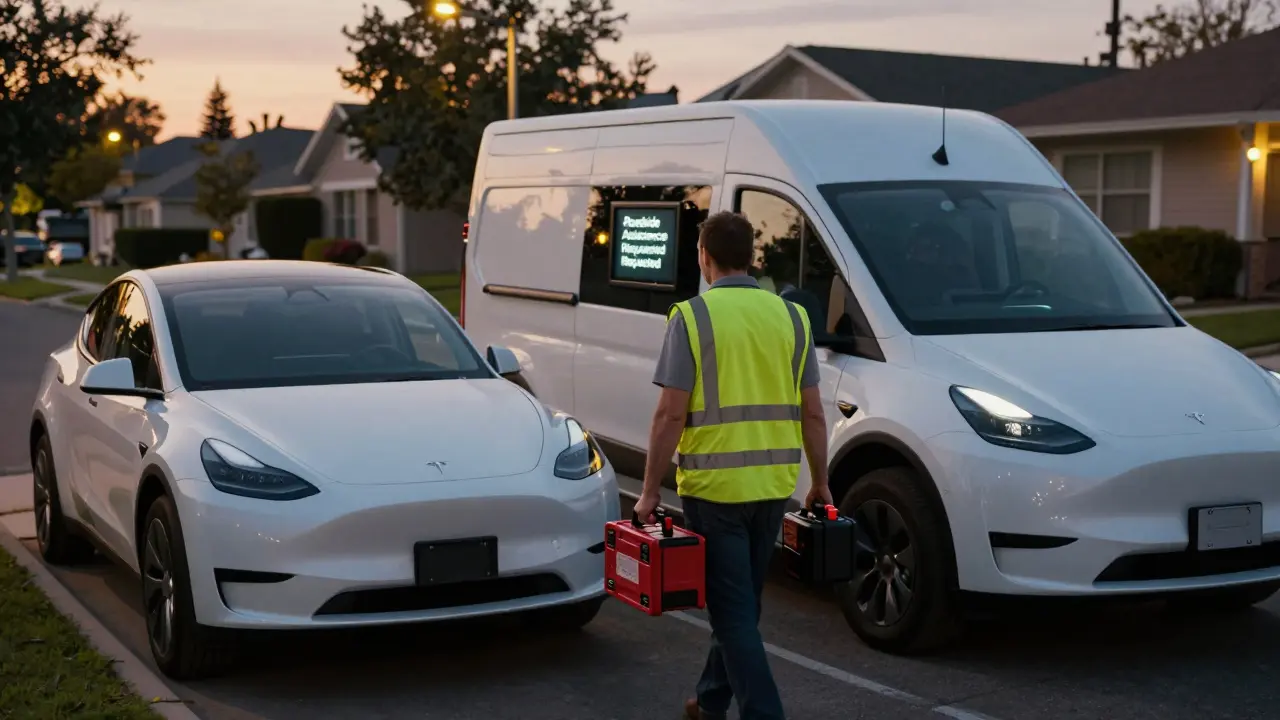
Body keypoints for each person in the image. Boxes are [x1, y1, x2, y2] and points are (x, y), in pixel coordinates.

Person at [633, 211, 832, 720]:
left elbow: (670, 412)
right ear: (751, 256)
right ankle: (710, 699)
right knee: (745, 607)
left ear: (704, 256)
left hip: (715, 489)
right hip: (772, 486)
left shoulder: (692, 317)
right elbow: (813, 411)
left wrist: (650, 490)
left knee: (733, 614)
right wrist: (821, 482)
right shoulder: (792, 318)